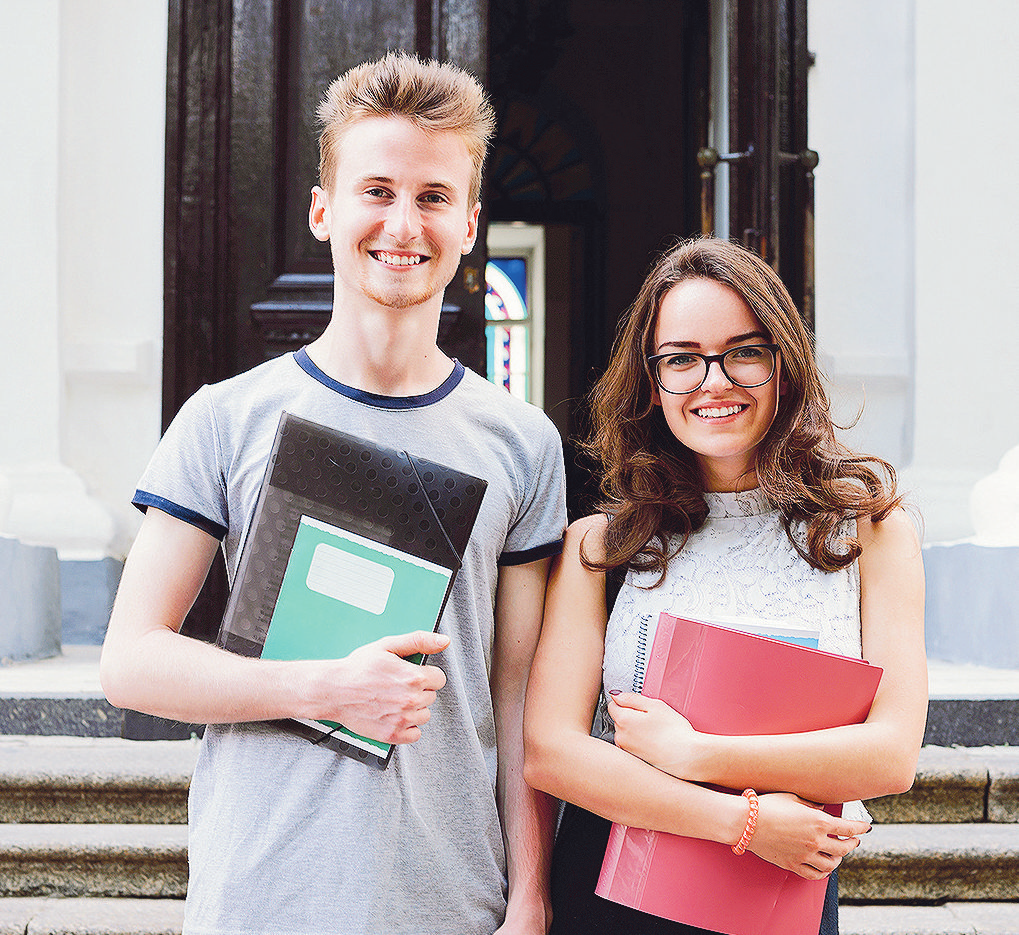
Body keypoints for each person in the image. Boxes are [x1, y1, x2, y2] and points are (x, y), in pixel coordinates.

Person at [101, 51, 566, 935]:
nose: (403, 222)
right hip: (263, 892)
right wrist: (326, 687)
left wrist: (530, 898)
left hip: (449, 897)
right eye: (376, 190)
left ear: (468, 223)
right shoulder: (226, 418)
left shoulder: (522, 442)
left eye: (432, 197)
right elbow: (131, 662)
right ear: (325, 210)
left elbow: (518, 699)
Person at [523, 237, 928, 935]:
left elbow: (889, 754)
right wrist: (743, 820)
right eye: (681, 358)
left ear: (783, 364)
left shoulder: (867, 532)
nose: (713, 381)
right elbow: (549, 751)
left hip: (778, 891)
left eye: (742, 350)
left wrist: (697, 754)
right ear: (651, 382)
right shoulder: (601, 544)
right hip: (615, 891)